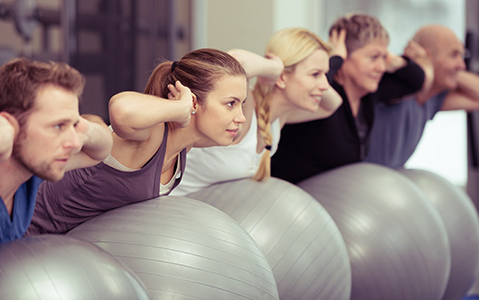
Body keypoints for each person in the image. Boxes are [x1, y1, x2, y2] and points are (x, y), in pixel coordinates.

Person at [27, 48, 247, 235]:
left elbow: (243, 64)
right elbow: (120, 109)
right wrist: (180, 108)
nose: (241, 117)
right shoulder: (154, 133)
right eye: (230, 104)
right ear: (194, 102)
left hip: (68, 249)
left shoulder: (186, 142)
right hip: (28, 233)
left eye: (241, 104)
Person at [171, 27, 343, 196]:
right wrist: (275, 67)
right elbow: (234, 62)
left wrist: (332, 61)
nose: (324, 85)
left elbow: (333, 104)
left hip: (199, 211)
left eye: (324, 74)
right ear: (282, 77)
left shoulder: (279, 118)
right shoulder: (244, 108)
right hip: (166, 207)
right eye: (315, 74)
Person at [271, 13, 427, 183]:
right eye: (374, 57)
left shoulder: (370, 94)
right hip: (291, 196)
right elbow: (315, 83)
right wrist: (336, 58)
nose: (381, 67)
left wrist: (396, 60)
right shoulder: (320, 95)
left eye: (384, 57)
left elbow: (416, 81)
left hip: (334, 199)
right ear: (345, 57)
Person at [0, 57, 113, 251]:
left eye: (72, 126)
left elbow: (98, 152)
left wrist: (81, 127)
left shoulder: (29, 174)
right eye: (58, 126)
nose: (74, 143)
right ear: (9, 126)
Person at [365, 24, 479, 168]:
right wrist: (424, 63)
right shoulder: (396, 86)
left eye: (461, 56)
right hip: (358, 182)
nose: (461, 65)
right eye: (454, 55)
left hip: (384, 183)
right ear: (427, 54)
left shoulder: (432, 99)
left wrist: (449, 70)